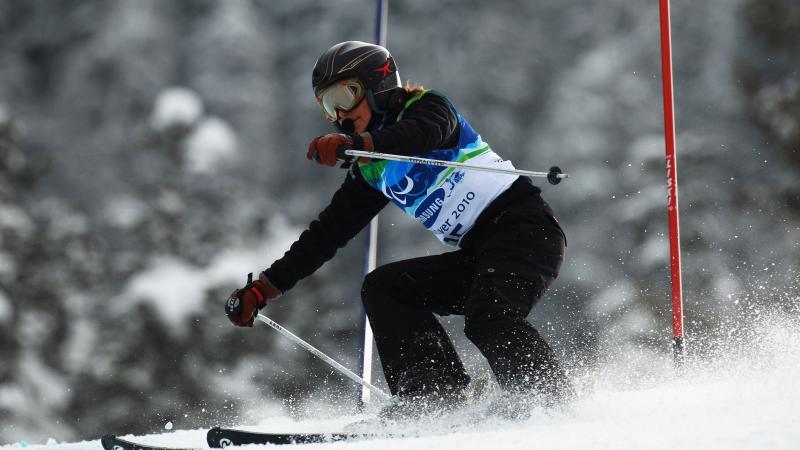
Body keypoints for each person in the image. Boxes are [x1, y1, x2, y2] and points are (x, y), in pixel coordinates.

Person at [225, 41, 572, 417]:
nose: (340, 114)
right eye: (328, 105)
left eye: (345, 95)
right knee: (386, 288)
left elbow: (424, 133)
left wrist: (358, 144)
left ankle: (547, 402)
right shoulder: (371, 171)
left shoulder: (428, 108)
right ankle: (434, 397)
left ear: (378, 84)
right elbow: (326, 235)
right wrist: (264, 288)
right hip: (480, 253)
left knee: (488, 317)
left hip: (524, 230)